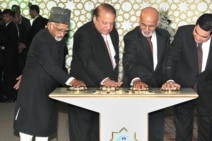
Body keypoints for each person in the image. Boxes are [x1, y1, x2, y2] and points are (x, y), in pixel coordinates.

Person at [13, 7, 86, 141]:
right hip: (33, 89)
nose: (62, 34)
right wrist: (71, 80)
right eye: (59, 30)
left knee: (44, 129)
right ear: (49, 25)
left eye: (65, 31)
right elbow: (50, 65)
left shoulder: (59, 39)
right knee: (28, 129)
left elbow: (58, 66)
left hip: (48, 89)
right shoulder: (41, 38)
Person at [162, 13, 212, 141]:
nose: (197, 38)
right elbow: (171, 58)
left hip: (208, 91)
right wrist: (170, 79)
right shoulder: (183, 32)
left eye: (203, 36)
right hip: (184, 86)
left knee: (208, 127)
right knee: (183, 125)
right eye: (196, 32)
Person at [68, 3, 122, 141]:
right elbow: (87, 60)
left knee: (100, 132)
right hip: (84, 90)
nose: (108, 27)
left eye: (111, 23)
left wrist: (112, 82)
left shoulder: (113, 33)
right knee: (82, 134)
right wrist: (105, 80)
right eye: (105, 23)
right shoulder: (83, 33)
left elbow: (113, 60)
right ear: (95, 18)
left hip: (105, 92)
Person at [122, 7, 171, 141]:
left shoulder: (164, 36)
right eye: (143, 24)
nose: (147, 29)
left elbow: (167, 60)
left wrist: (169, 80)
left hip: (157, 88)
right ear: (139, 20)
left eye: (151, 26)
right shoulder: (131, 37)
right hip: (137, 88)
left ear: (158, 23)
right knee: (135, 128)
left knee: (156, 129)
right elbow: (129, 61)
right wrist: (136, 80)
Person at [2, 9, 20, 102]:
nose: (4, 18)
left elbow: (9, 41)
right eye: (4, 16)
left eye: (6, 16)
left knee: (10, 76)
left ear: (10, 17)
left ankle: (11, 95)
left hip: (10, 56)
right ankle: (10, 94)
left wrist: (3, 46)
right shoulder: (8, 26)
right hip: (10, 56)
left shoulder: (11, 26)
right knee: (9, 76)